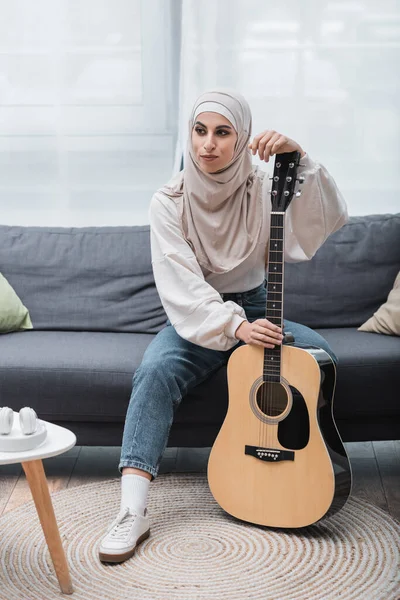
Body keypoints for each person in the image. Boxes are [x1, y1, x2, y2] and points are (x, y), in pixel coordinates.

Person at [98, 89, 348, 563]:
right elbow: (182, 285)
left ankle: (301, 475)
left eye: (222, 132)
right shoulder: (168, 201)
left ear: (243, 139)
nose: (207, 144)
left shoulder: (262, 185)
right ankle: (132, 511)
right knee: (154, 373)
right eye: (199, 130)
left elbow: (325, 219)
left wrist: (302, 160)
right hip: (200, 312)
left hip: (258, 304)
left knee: (321, 362)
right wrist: (234, 330)